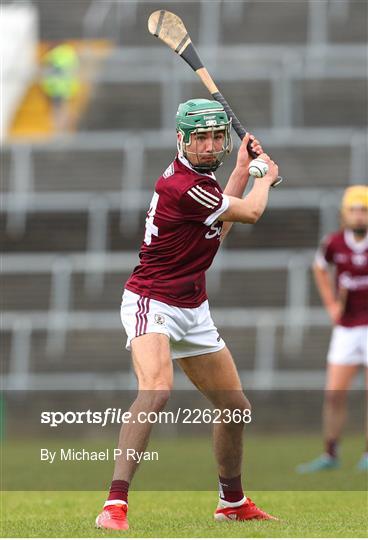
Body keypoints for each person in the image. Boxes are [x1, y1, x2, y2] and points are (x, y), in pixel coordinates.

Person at [96, 98, 280, 530]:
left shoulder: (204, 183)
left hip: (192, 306)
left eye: (218, 136)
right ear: (181, 138)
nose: (211, 144)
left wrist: (239, 171)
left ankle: (231, 502)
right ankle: (114, 506)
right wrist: (265, 178)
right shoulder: (182, 185)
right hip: (152, 300)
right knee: (157, 390)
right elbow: (250, 212)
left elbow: (222, 225)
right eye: (202, 137)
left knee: (235, 408)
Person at [297, 185, 368, 474]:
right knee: (333, 394)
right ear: (344, 214)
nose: (359, 215)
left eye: (364, 210)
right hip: (346, 329)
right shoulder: (334, 243)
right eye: (354, 210)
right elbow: (319, 268)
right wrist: (330, 304)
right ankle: (330, 453)